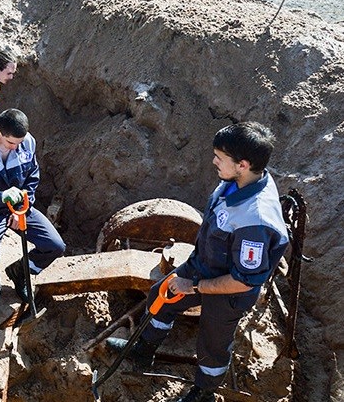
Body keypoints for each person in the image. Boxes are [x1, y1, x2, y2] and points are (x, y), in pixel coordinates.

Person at [108, 122, 289, 402]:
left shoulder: (254, 222)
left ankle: (203, 392)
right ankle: (143, 351)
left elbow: (242, 280)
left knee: (212, 342)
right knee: (162, 295)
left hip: (230, 291)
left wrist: (193, 286)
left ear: (242, 164)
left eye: (220, 157)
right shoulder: (240, 180)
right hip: (205, 264)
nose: (214, 160)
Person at [0, 108, 65, 318]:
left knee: (55, 246)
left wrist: (21, 208)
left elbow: (32, 176)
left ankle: (21, 271)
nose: (16, 147)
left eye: (19, 142)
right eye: (10, 143)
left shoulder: (27, 141)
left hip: (20, 205)